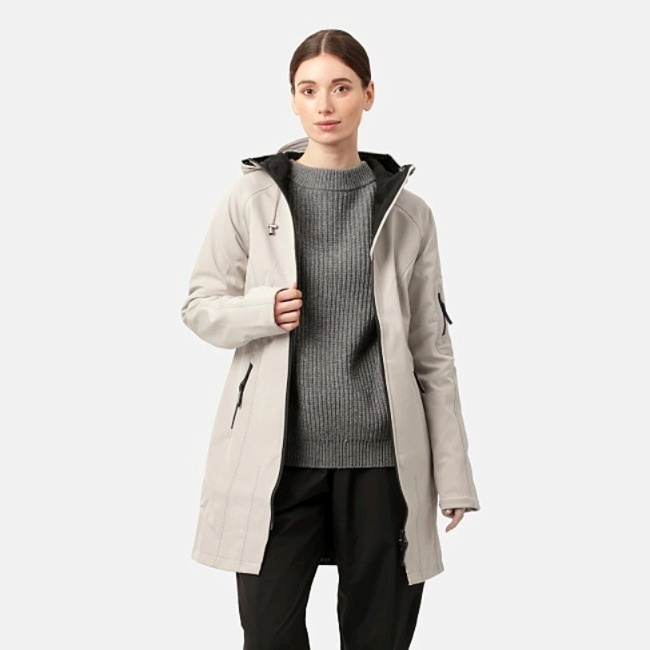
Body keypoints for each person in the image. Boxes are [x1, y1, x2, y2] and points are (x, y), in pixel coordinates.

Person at [181, 28, 481, 650]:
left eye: (341, 88)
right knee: (269, 636)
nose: (324, 105)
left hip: (383, 465)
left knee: (378, 639)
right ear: (292, 99)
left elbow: (432, 352)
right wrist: (263, 310)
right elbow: (200, 307)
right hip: (276, 461)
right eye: (309, 89)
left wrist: (453, 476)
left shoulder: (409, 214)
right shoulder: (252, 197)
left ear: (368, 95)